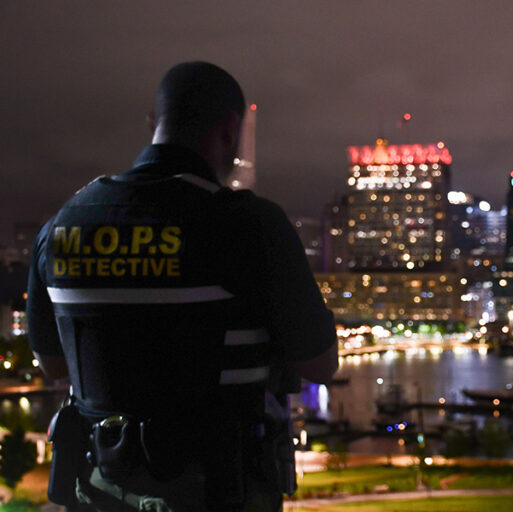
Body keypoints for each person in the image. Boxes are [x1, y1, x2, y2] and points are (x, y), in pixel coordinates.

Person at [27, 61, 338, 511]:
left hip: (98, 490)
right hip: (218, 488)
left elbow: (54, 366)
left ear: (153, 124)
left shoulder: (61, 225)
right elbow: (320, 366)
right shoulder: (249, 225)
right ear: (230, 131)